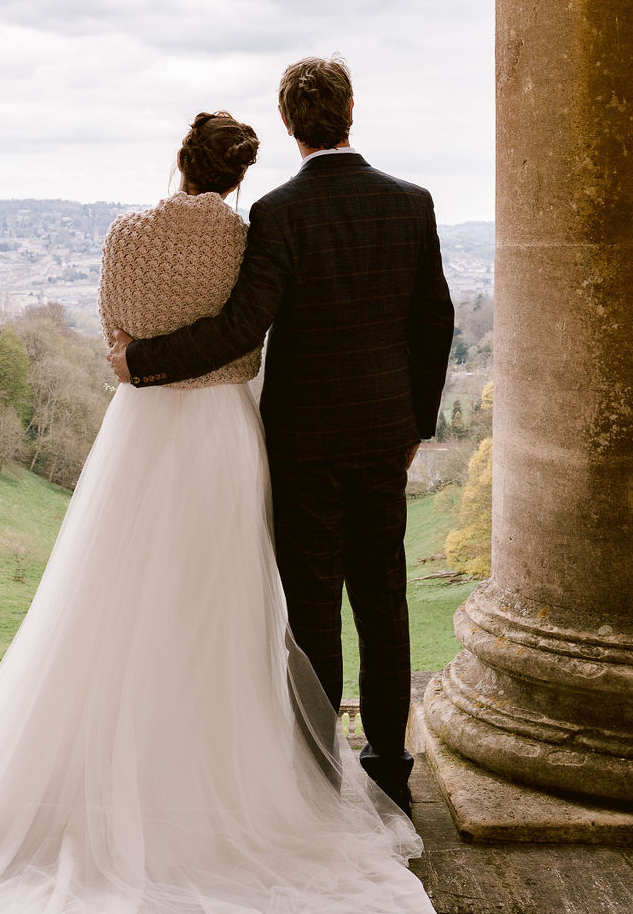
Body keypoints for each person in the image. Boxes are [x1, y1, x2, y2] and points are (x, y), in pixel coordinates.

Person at [0, 108, 441, 914]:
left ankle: (120, 776)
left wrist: (145, 362)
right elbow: (253, 325)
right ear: (240, 172)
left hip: (142, 431)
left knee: (117, 603)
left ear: (180, 161)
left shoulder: (132, 233)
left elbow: (115, 329)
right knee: (228, 608)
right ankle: (290, 777)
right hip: (225, 437)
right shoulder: (249, 231)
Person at [109, 61, 454, 817]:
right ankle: (391, 767)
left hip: (302, 443)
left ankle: (317, 770)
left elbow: (241, 329)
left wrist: (142, 359)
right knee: (384, 599)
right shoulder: (411, 203)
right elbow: (434, 324)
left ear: (290, 125)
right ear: (351, 112)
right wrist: (413, 427)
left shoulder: (280, 213)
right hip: (380, 438)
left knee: (313, 610)